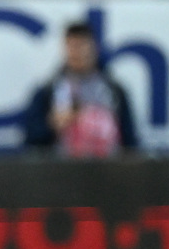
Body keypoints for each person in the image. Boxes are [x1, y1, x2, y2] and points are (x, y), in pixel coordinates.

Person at [22, 20, 138, 158]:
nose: (77, 52)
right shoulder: (48, 90)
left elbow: (130, 141)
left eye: (82, 45)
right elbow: (30, 139)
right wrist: (52, 125)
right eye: (72, 46)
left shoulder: (114, 91)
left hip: (106, 171)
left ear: (94, 47)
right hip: (61, 171)